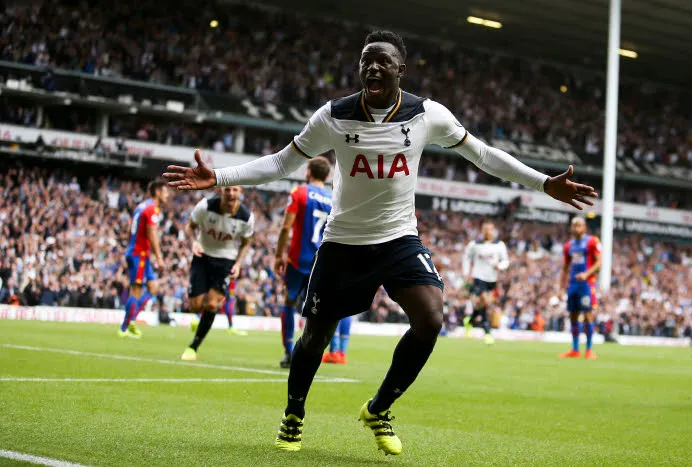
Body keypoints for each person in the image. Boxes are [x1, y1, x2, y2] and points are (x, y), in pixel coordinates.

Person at [164, 30, 597, 455]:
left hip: (398, 238)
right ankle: (294, 414)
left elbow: (483, 155)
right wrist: (218, 176)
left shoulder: (427, 115)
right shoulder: (333, 115)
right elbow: (281, 163)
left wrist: (543, 184)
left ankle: (379, 408)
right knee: (315, 337)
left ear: (400, 70)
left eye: (382, 60)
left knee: (430, 319)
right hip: (344, 242)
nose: (372, 66)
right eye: (365, 60)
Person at [181, 186, 254, 361]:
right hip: (202, 256)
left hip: (226, 262)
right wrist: (193, 242)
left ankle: (193, 347)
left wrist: (238, 263)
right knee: (196, 305)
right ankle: (199, 317)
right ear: (221, 190)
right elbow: (189, 227)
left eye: (235, 190)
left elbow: (246, 242)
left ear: (240, 192)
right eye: (228, 190)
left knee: (213, 305)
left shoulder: (246, 217)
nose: (231, 194)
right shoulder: (205, 206)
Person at [274, 157, 333, 368]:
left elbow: (285, 227)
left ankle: (289, 351)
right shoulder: (334, 199)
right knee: (316, 310)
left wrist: (279, 255)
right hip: (322, 263)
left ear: (308, 172)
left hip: (297, 260)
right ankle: (309, 353)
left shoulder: (299, 193)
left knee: (289, 302)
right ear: (327, 176)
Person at [119, 180, 168, 338]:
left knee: (153, 287)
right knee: (136, 290)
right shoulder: (151, 208)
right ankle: (124, 328)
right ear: (158, 192)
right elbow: (151, 234)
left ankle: (132, 321)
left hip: (139, 253)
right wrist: (159, 258)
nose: (167, 195)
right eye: (165, 191)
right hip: (138, 254)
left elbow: (131, 230)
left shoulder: (141, 206)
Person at [559, 217, 602, 360]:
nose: (576, 228)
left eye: (579, 225)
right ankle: (575, 349)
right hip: (573, 285)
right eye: (574, 225)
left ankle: (589, 349)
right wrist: (560, 289)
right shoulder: (568, 246)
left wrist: (586, 274)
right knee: (573, 315)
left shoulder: (592, 241)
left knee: (588, 315)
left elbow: (599, 263)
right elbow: (565, 268)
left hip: (586, 285)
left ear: (584, 227)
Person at [462, 221, 509, 345]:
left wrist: (500, 266)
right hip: (478, 277)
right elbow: (467, 258)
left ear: (494, 231)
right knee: (485, 301)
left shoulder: (499, 245)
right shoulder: (475, 245)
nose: (488, 232)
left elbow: (505, 261)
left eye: (490, 229)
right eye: (485, 229)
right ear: (482, 231)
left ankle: (470, 320)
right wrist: (466, 272)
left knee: (484, 304)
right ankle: (487, 332)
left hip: (492, 279)